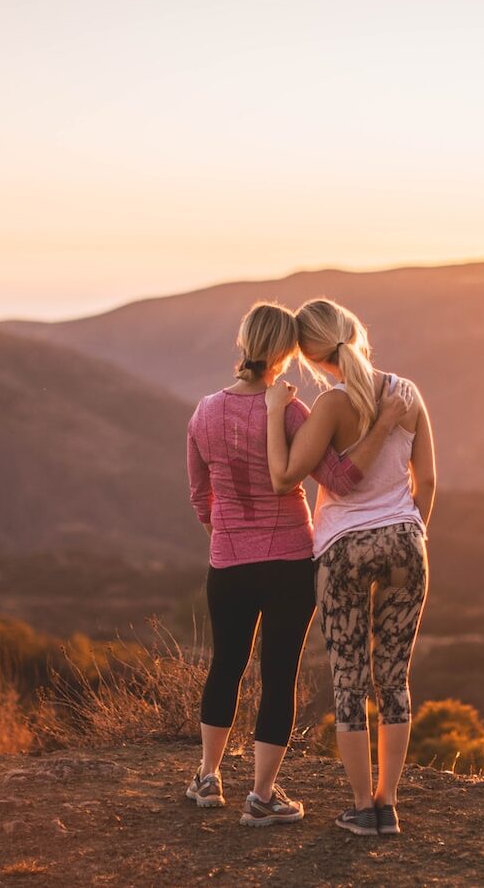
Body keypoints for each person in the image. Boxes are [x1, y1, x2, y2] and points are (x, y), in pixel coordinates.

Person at [184, 301, 409, 826]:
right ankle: (262, 796)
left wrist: (226, 535)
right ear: (287, 354)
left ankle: (207, 777)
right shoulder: (292, 413)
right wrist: (383, 430)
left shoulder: (204, 412)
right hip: (290, 562)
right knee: (278, 674)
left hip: (229, 563)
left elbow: (200, 495)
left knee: (226, 665)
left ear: (242, 345)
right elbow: (341, 479)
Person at [264, 298, 435, 837]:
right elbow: (426, 481)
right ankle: (389, 803)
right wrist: (412, 531)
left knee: (350, 679)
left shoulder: (332, 407)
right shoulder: (407, 393)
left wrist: (274, 414)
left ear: (312, 359)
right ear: (356, 331)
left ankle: (363, 807)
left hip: (343, 551)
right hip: (407, 542)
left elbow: (298, 473)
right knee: (394, 677)